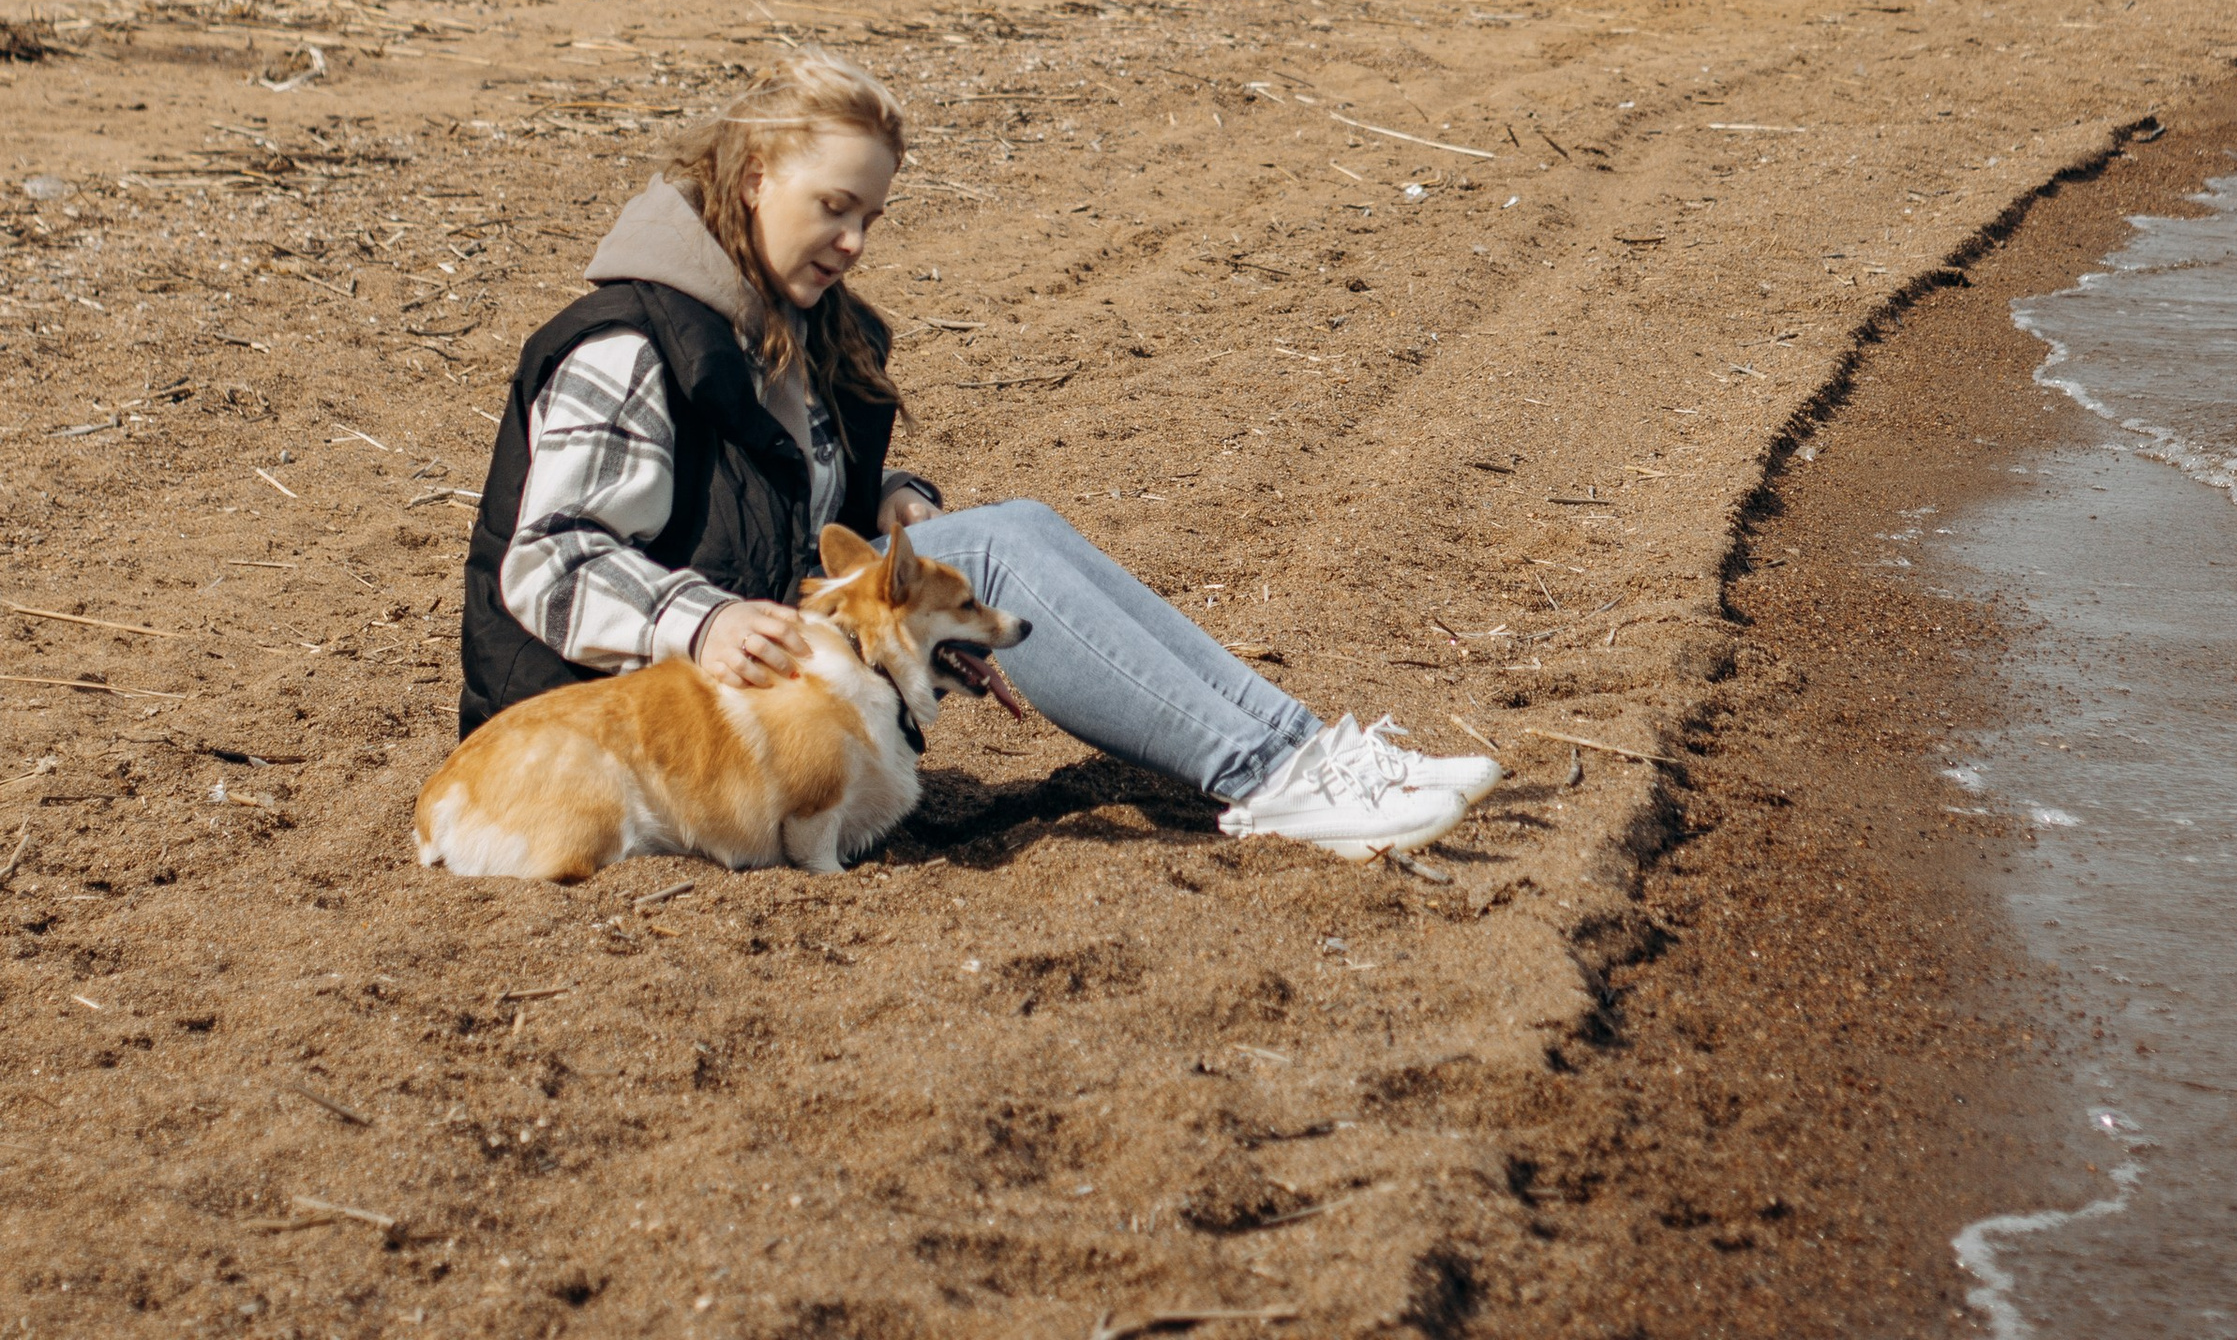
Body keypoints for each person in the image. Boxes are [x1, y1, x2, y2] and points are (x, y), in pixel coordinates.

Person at [459, 51, 1496, 861]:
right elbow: (547, 562)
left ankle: (1310, 753)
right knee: (993, 555)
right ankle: (1281, 781)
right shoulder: (629, 343)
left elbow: (773, 520)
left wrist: (899, 517)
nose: (856, 240)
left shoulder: (799, 326)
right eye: (834, 206)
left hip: (757, 704)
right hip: (614, 750)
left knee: (1011, 531)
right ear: (755, 175)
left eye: (871, 215)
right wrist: (706, 618)